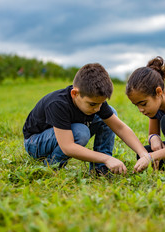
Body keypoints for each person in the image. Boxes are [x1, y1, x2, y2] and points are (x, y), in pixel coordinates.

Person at [23, 63, 151, 176]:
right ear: (75, 94)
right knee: (80, 132)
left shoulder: (96, 101)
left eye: (101, 104)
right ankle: (51, 166)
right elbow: (68, 147)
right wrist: (106, 158)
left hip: (60, 137)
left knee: (111, 113)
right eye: (92, 104)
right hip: (35, 142)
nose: (97, 108)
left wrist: (144, 154)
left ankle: (100, 170)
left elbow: (120, 128)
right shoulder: (58, 103)